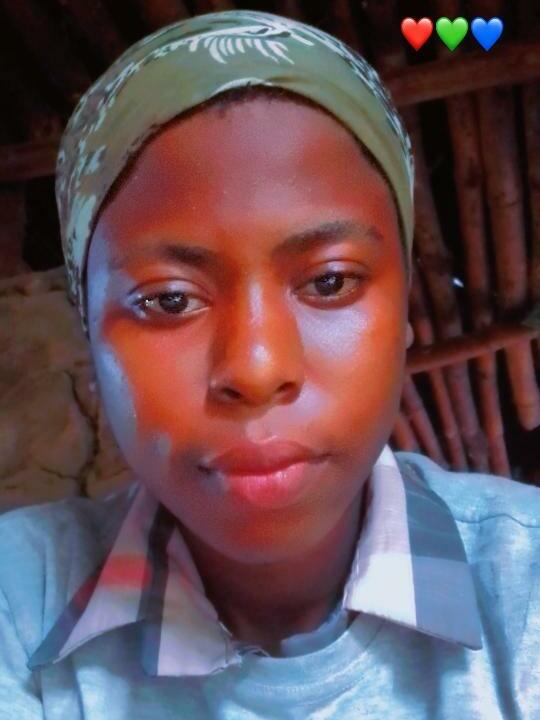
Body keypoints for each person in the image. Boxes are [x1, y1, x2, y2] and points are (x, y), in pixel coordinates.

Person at [0, 10, 538, 719]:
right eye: (169, 299)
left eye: (330, 282)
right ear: (89, 340)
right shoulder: (20, 603)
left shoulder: (526, 593)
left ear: (405, 308)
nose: (256, 369)